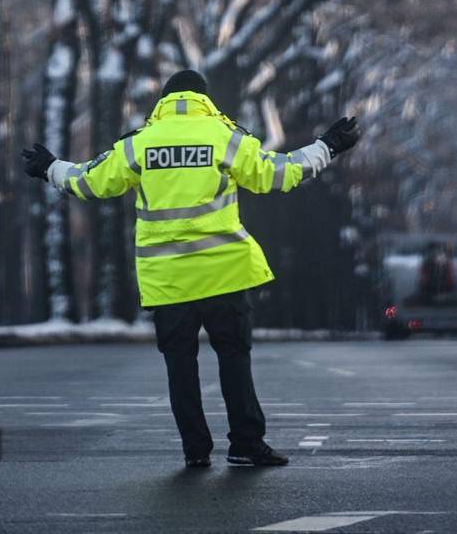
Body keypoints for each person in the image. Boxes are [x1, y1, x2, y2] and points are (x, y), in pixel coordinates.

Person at [21, 69, 361, 468]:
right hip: (224, 273)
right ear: (205, 99)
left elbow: (92, 180)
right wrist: (328, 146)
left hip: (167, 281)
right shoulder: (224, 137)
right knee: (234, 360)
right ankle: (246, 444)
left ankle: (195, 451)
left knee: (180, 368)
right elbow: (278, 173)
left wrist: (49, 168)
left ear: (163, 101)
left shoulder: (140, 144)